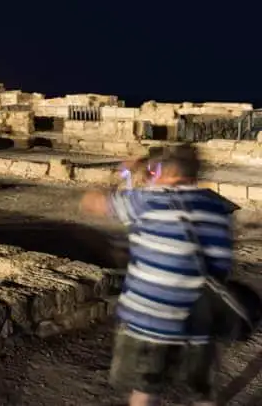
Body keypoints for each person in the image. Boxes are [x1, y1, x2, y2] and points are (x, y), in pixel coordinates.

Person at [80, 143, 235, 406]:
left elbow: (90, 202)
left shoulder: (147, 201)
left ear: (160, 171)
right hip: (201, 317)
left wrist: (124, 174)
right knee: (202, 391)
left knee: (145, 389)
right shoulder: (218, 207)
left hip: (149, 320)